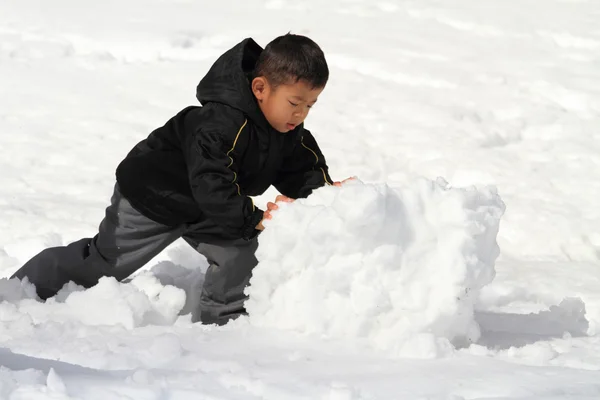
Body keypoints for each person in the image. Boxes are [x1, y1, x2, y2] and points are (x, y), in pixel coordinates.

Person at [11, 33, 351, 325]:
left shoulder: (286, 128)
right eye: (295, 102)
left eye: (310, 105)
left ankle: (225, 322)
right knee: (103, 263)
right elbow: (211, 181)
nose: (301, 114)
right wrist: (253, 219)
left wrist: (326, 199)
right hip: (154, 197)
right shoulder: (219, 124)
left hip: (209, 208)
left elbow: (301, 167)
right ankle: (22, 287)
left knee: (239, 253)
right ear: (260, 88)